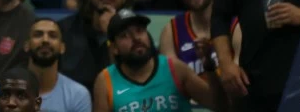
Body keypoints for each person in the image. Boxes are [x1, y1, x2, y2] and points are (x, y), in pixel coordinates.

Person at [92, 9, 222, 112]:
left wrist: (209, 67)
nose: (136, 38)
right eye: (124, 35)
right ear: (114, 48)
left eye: (139, 30)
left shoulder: (174, 69)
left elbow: (219, 105)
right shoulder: (105, 81)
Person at [159, 0, 240, 75]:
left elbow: (237, 84)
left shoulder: (236, 27)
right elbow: (172, 82)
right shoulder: (171, 31)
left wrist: (209, 67)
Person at [0, 27, 91, 112]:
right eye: (38, 34)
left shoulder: (78, 94)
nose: (45, 40)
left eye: (52, 35)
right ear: (26, 45)